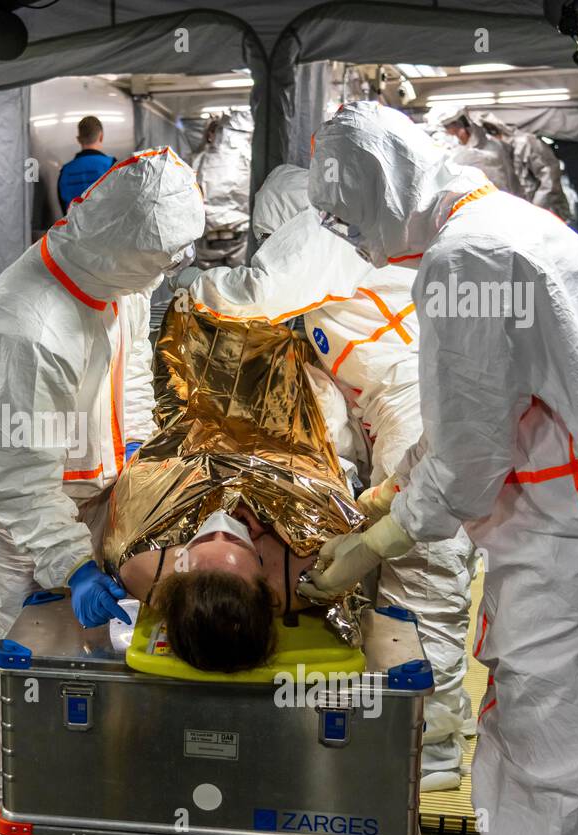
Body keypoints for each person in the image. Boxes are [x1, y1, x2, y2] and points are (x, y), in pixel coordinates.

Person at [304, 100, 578, 835]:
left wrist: (376, 538)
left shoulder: (463, 261)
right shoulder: (504, 223)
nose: (352, 241)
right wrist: (387, 494)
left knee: (555, 755)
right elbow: (482, 416)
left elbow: (470, 467)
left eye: (348, 218)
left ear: (382, 183)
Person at [0, 147, 205, 815]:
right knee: (7, 660)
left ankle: (76, 782)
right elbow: (19, 480)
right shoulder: (28, 329)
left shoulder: (119, 278)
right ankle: (12, 808)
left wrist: (135, 451)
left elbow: (133, 367)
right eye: (161, 261)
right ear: (125, 247)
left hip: (82, 491)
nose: (167, 274)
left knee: (72, 652)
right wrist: (72, 563)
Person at [188, 163, 476, 791]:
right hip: (387, 400)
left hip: (412, 398)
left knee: (424, 572)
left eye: (271, 238)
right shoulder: (340, 284)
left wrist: (173, 284)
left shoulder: (323, 242)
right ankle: (424, 715)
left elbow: (250, 293)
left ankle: (431, 745)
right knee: (401, 582)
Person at [104, 289, 364, 675]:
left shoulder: (143, 568)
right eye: (244, 549)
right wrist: (276, 512)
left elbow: (145, 486)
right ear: (266, 587)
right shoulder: (307, 575)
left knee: (200, 315)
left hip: (196, 422)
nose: (223, 526)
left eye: (204, 540)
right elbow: (326, 494)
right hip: (287, 425)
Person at [476, 112, 574, 222]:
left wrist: (535, 209)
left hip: (549, 212)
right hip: (529, 214)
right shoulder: (502, 152)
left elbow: (550, 176)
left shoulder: (525, 142)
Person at [190, 109, 254, 268]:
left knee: (207, 287)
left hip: (208, 238)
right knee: (238, 287)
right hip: (237, 235)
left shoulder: (196, 161)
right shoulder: (249, 157)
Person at [441, 110, 519, 195]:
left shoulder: (489, 147)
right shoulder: (457, 148)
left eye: (453, 128)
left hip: (499, 194)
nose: (453, 134)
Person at [56, 115, 116, 213]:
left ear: (79, 139)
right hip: (108, 227)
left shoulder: (65, 171)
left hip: (74, 228)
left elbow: (65, 212)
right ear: (101, 136)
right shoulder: (112, 165)